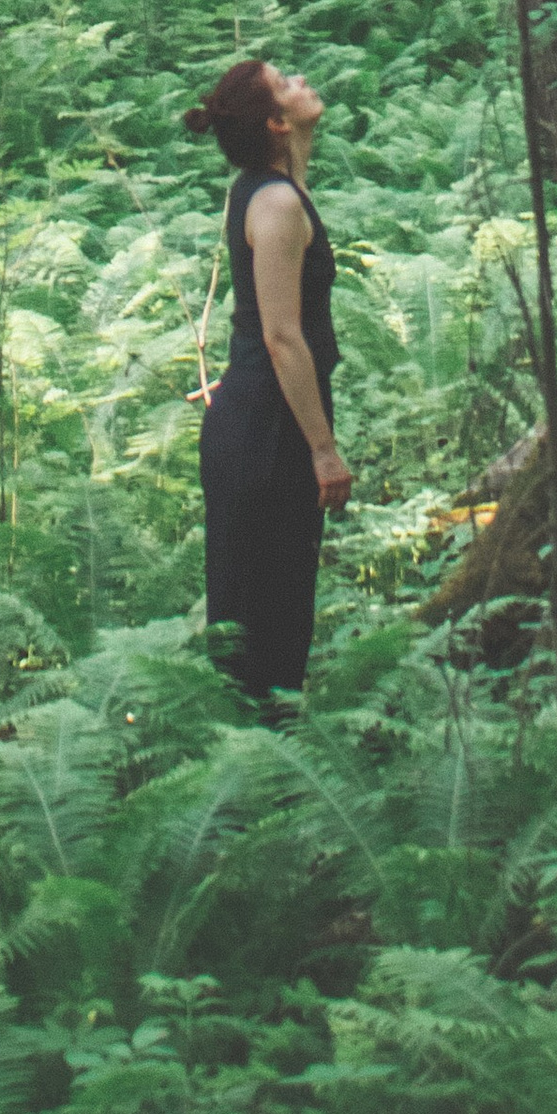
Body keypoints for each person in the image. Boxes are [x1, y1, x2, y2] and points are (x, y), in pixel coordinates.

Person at [186, 54, 351, 704]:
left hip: (259, 423)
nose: (304, 80)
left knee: (274, 614)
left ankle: (256, 767)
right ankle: (253, 773)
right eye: (288, 85)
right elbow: (283, 338)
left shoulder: (273, 189)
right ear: (276, 125)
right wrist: (324, 449)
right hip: (265, 434)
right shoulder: (277, 203)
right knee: (261, 627)